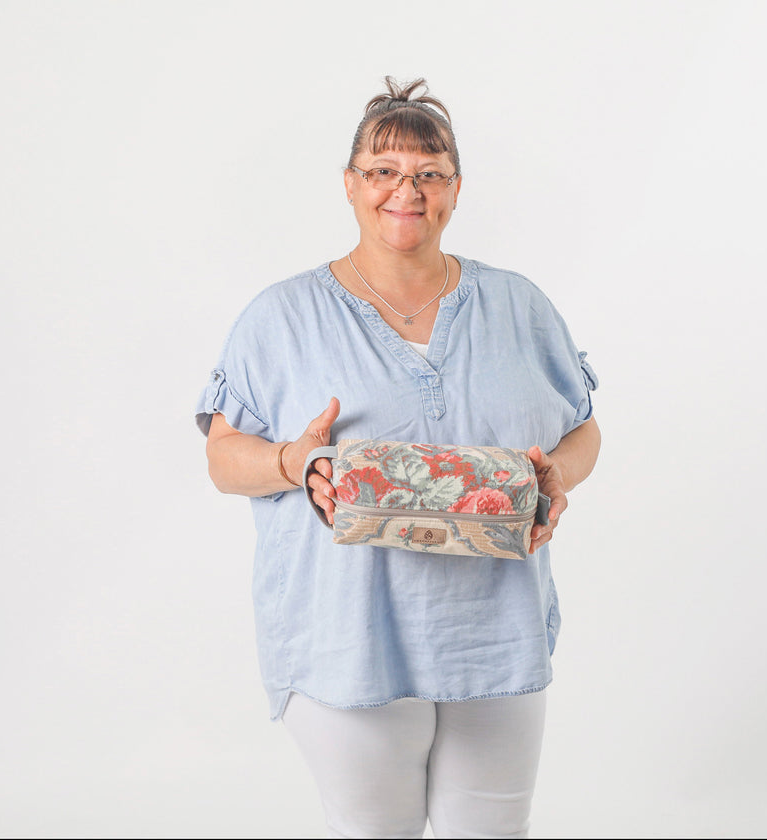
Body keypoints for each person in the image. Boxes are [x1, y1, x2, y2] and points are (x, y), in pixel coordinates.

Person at [195, 76, 601, 839]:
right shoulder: (282, 317)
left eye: (428, 172)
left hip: (495, 632)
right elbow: (223, 458)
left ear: (455, 188)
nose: (404, 190)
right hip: (349, 634)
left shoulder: (519, 305)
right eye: (383, 170)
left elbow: (584, 429)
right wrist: (291, 462)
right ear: (350, 185)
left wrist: (561, 476)